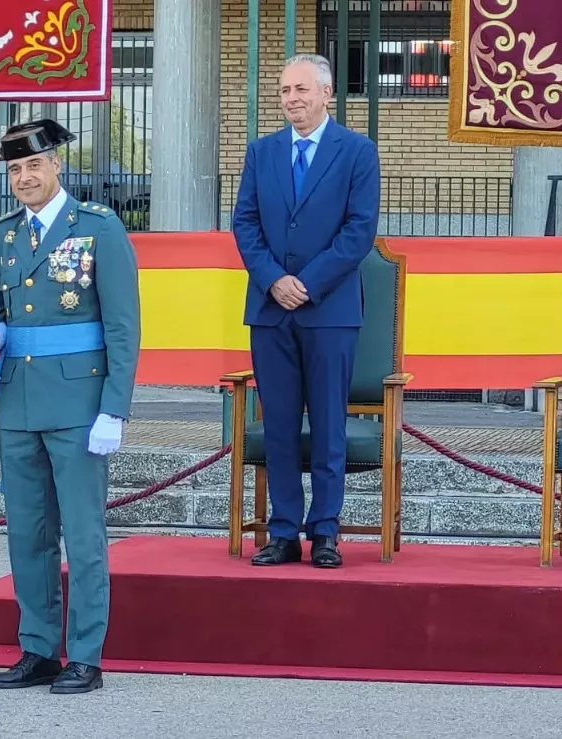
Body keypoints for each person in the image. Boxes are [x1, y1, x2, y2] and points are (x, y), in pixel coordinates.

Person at [0, 118, 141, 695]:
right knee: (27, 534)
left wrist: (115, 408)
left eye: (32, 166)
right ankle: (38, 648)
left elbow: (122, 326)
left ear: (56, 166)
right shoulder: (5, 235)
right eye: (14, 170)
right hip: (17, 399)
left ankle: (85, 654)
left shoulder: (98, 228)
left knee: (83, 535)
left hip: (80, 403)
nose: (23, 178)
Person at [232, 54, 381, 569]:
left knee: (327, 424)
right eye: (283, 90)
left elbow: (359, 231)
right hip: (271, 311)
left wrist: (307, 283)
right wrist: (274, 280)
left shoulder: (357, 152)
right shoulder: (262, 152)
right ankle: (282, 532)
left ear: (326, 93)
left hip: (329, 311)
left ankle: (325, 532)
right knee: (278, 425)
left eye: (300, 89)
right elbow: (245, 224)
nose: (291, 98)